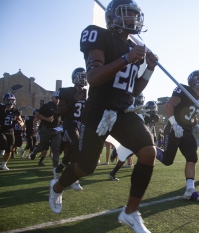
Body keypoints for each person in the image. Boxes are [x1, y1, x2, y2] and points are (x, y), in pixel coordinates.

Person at [49, 1, 158, 232]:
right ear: (113, 17)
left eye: (135, 15)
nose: (133, 19)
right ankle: (57, 187)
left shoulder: (132, 45)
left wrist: (148, 68)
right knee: (86, 167)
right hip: (99, 110)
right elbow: (94, 77)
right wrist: (127, 59)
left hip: (123, 111)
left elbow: (133, 91)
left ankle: (130, 212)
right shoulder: (99, 36)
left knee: (149, 151)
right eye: (127, 14)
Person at [156, 70, 199, 202]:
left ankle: (190, 190)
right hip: (174, 128)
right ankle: (150, 148)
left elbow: (192, 114)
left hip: (187, 130)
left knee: (192, 157)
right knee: (168, 161)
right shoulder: (183, 90)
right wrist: (174, 124)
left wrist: (195, 125)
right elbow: (169, 106)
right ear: (193, 80)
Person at [52, 67, 87, 191]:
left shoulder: (86, 93)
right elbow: (59, 111)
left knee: (75, 148)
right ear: (74, 78)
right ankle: (74, 178)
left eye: (84, 76)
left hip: (81, 125)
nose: (83, 79)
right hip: (69, 123)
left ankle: (59, 169)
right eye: (81, 76)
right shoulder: (66, 91)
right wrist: (74, 100)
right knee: (76, 145)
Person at [30, 92, 62, 168]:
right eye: (56, 97)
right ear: (52, 98)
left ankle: (55, 167)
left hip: (56, 130)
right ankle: (34, 151)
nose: (58, 99)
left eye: (59, 98)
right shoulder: (47, 106)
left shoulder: (60, 106)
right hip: (46, 129)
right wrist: (47, 119)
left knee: (56, 148)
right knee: (43, 147)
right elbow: (37, 115)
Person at [0, 93, 24, 170]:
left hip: (10, 131)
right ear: (5, 100)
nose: (10, 102)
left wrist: (21, 123)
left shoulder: (16, 111)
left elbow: (20, 120)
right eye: (8, 100)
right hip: (1, 130)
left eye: (12, 100)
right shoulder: (1, 109)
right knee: (3, 144)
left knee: (9, 148)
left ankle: (3, 164)